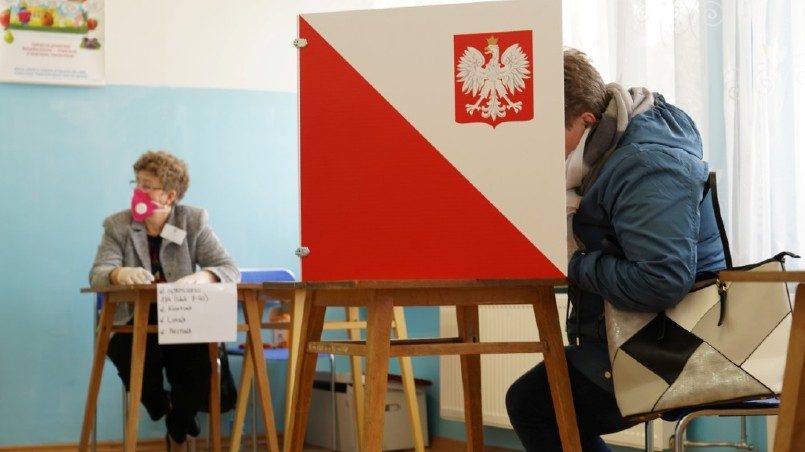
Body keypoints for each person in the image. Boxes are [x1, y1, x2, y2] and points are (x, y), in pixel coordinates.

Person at [505, 49, 726, 451]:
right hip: (646, 335)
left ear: (586, 120)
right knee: (538, 402)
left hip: (677, 348)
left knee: (535, 404)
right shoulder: (610, 155)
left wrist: (572, 262)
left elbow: (661, 280)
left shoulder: (646, 165)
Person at [89, 150, 240, 451]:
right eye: (137, 182)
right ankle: (165, 408)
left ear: (170, 196)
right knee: (134, 358)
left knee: (198, 363)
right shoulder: (118, 225)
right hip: (134, 318)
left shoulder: (192, 221)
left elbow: (229, 268)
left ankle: (178, 422)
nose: (138, 190)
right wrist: (119, 273)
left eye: (148, 186)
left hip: (182, 316)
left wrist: (203, 277)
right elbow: (98, 274)